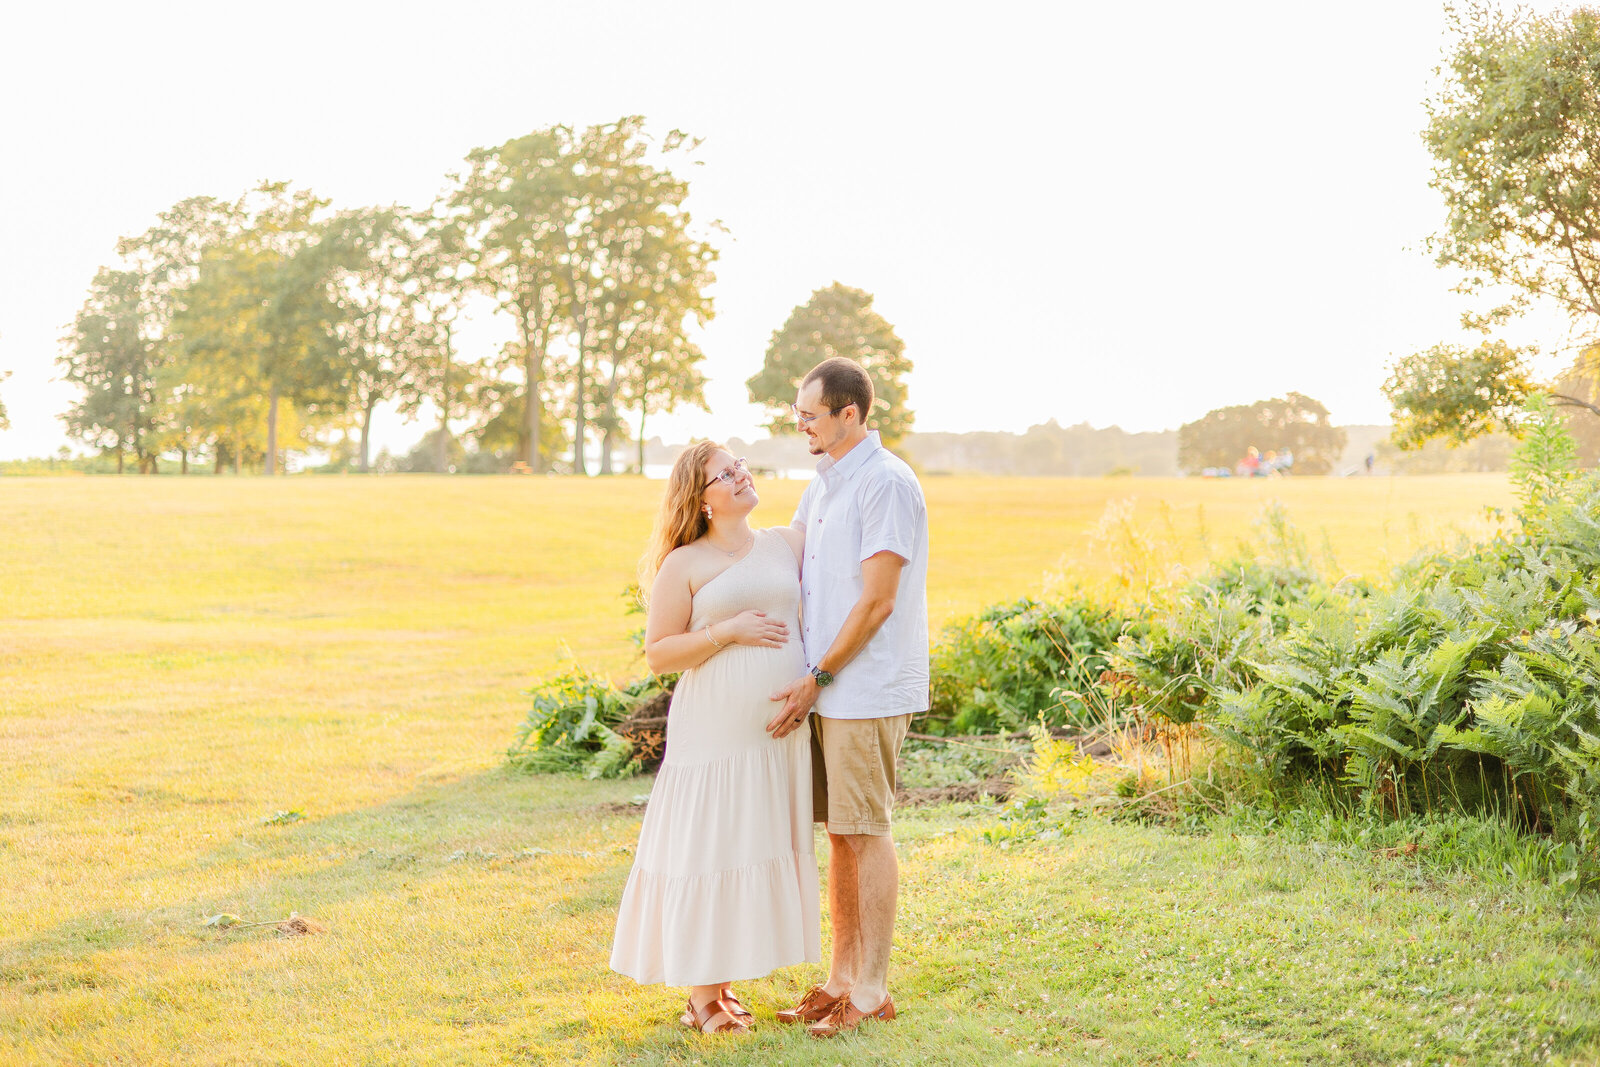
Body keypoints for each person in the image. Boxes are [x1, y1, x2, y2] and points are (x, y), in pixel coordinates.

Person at [610, 442, 821, 1035]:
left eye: (739, 467)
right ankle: (703, 997)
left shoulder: (786, 543)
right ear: (700, 501)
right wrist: (726, 630)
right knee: (715, 843)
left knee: (752, 842)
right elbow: (659, 654)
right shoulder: (686, 563)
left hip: (775, 736)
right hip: (714, 733)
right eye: (723, 475)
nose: (740, 477)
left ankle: (723, 986)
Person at [767, 356, 929, 1039]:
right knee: (841, 834)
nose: (799, 424)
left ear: (849, 414)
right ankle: (838, 981)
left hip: (860, 687)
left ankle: (871, 989)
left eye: (810, 414)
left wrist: (819, 678)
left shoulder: (885, 484)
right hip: (829, 687)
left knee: (867, 830)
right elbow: (788, 556)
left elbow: (877, 602)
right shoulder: (823, 484)